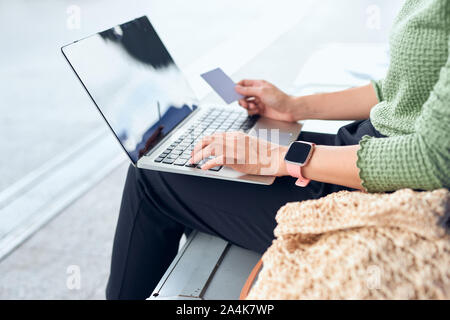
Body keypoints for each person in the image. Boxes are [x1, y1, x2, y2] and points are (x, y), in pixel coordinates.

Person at [106, 0, 449, 299]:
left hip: (392, 188)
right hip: (368, 149)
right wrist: (293, 107)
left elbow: (432, 158)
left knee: (151, 176)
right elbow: (399, 90)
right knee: (188, 157)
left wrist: (277, 158)